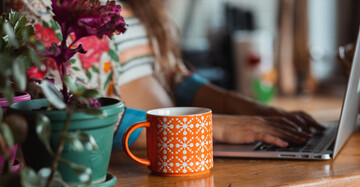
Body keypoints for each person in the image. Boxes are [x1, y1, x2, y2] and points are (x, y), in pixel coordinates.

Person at [6, 0, 324, 150]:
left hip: (186, 143)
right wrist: (214, 127)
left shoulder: (136, 4)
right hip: (128, 163)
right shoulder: (31, 7)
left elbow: (171, 75)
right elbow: (66, 110)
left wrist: (253, 109)